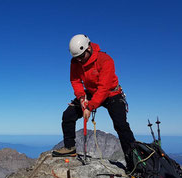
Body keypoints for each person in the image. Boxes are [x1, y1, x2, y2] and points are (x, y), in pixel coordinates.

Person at [52, 34, 136, 168]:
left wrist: (89, 107)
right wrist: (81, 98)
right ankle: (70, 147)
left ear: (89, 48)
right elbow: (75, 81)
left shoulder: (105, 60)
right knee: (68, 115)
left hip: (111, 93)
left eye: (81, 57)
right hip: (90, 93)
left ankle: (134, 161)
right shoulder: (75, 62)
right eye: (76, 58)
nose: (79, 60)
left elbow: (104, 88)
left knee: (121, 125)